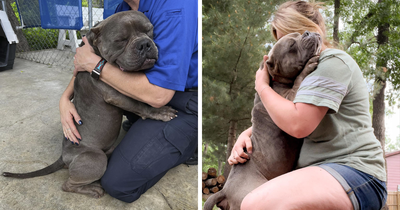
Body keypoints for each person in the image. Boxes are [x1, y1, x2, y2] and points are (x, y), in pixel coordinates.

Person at [228, 1, 387, 210]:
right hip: (323, 172)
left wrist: (262, 87)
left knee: (255, 203)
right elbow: (294, 114)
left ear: (303, 28)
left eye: (290, 39)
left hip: (356, 172)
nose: (284, 46)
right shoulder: (307, 71)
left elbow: (299, 123)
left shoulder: (333, 61)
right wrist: (247, 134)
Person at [60, 0, 198, 203]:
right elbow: (86, 56)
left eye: (148, 33)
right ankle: (142, 126)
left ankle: (189, 145)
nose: (142, 42)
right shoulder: (120, 7)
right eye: (121, 41)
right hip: (143, 88)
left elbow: (159, 97)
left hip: (182, 98)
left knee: (118, 183)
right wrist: (65, 98)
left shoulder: (177, 6)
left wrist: (96, 66)